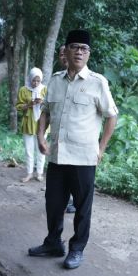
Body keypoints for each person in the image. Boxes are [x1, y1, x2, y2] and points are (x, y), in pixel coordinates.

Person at [28, 30, 118, 269]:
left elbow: (112, 116)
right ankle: (53, 243)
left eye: (84, 49)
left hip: (84, 158)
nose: (79, 51)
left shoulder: (97, 83)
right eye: (75, 47)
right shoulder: (56, 81)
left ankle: (76, 249)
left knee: (82, 208)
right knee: (53, 203)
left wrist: (101, 148)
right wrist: (40, 135)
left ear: (88, 54)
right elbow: (45, 111)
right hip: (57, 155)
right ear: (66, 50)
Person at [15, 67, 47, 182]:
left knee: (41, 150)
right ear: (30, 79)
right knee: (29, 150)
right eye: (34, 80)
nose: (36, 83)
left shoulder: (44, 90)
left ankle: (39, 173)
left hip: (42, 125)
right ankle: (29, 173)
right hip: (28, 123)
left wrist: (42, 101)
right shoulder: (24, 90)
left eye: (38, 81)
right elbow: (18, 107)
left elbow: (51, 107)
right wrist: (29, 104)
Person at [58, 45, 76, 214]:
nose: (63, 57)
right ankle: (65, 200)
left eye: (66, 54)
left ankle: (73, 200)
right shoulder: (57, 80)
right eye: (61, 55)